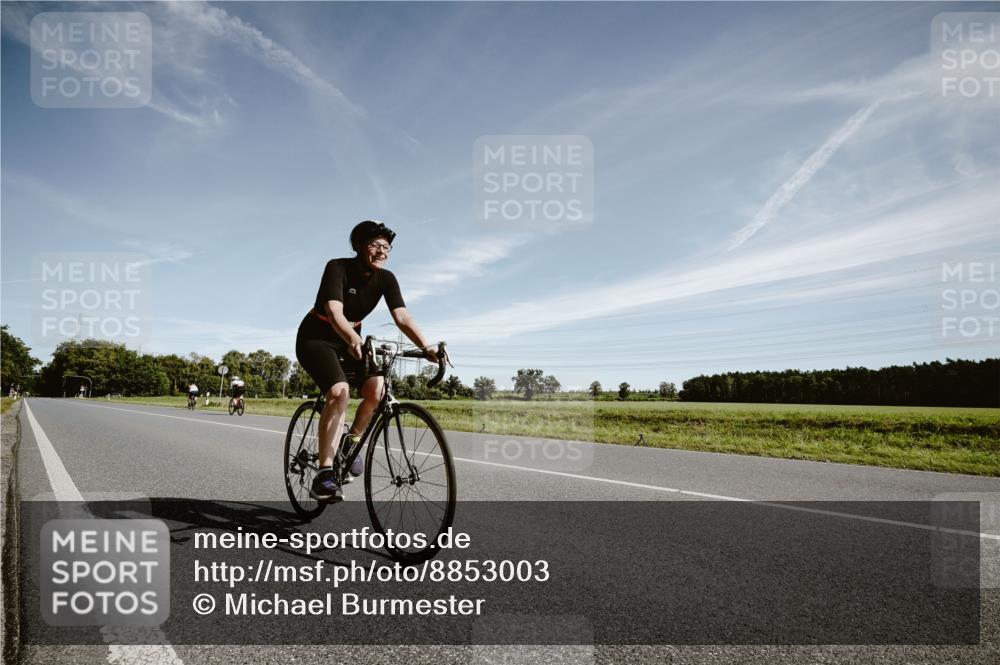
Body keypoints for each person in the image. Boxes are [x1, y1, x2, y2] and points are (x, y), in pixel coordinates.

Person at [295, 220, 441, 502]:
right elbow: (335, 312)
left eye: (386, 247)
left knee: (378, 390)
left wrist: (426, 347)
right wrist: (351, 337)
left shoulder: (386, 279)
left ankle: (350, 445)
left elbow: (402, 317)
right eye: (375, 245)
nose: (381, 251)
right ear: (360, 246)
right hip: (317, 337)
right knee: (339, 392)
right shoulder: (337, 267)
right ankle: (324, 475)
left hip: (353, 339)